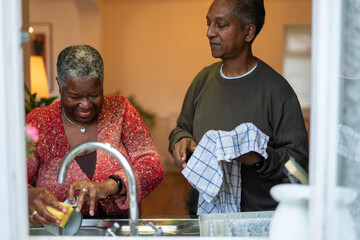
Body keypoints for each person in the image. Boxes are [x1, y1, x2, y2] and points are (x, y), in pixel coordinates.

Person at [169, 0, 308, 215]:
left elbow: (297, 163)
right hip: (202, 217)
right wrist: (180, 141)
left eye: (221, 25)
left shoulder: (277, 90)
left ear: (248, 32)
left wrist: (259, 159)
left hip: (257, 218)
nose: (209, 32)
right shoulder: (203, 81)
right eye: (208, 23)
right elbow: (181, 128)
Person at [27, 45, 164, 225]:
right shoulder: (39, 122)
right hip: (61, 233)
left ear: (102, 83)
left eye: (94, 94)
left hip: (118, 230)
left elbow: (153, 165)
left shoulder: (120, 110)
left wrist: (109, 186)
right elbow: (10, 177)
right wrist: (26, 195)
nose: (85, 105)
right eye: (75, 97)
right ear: (60, 85)